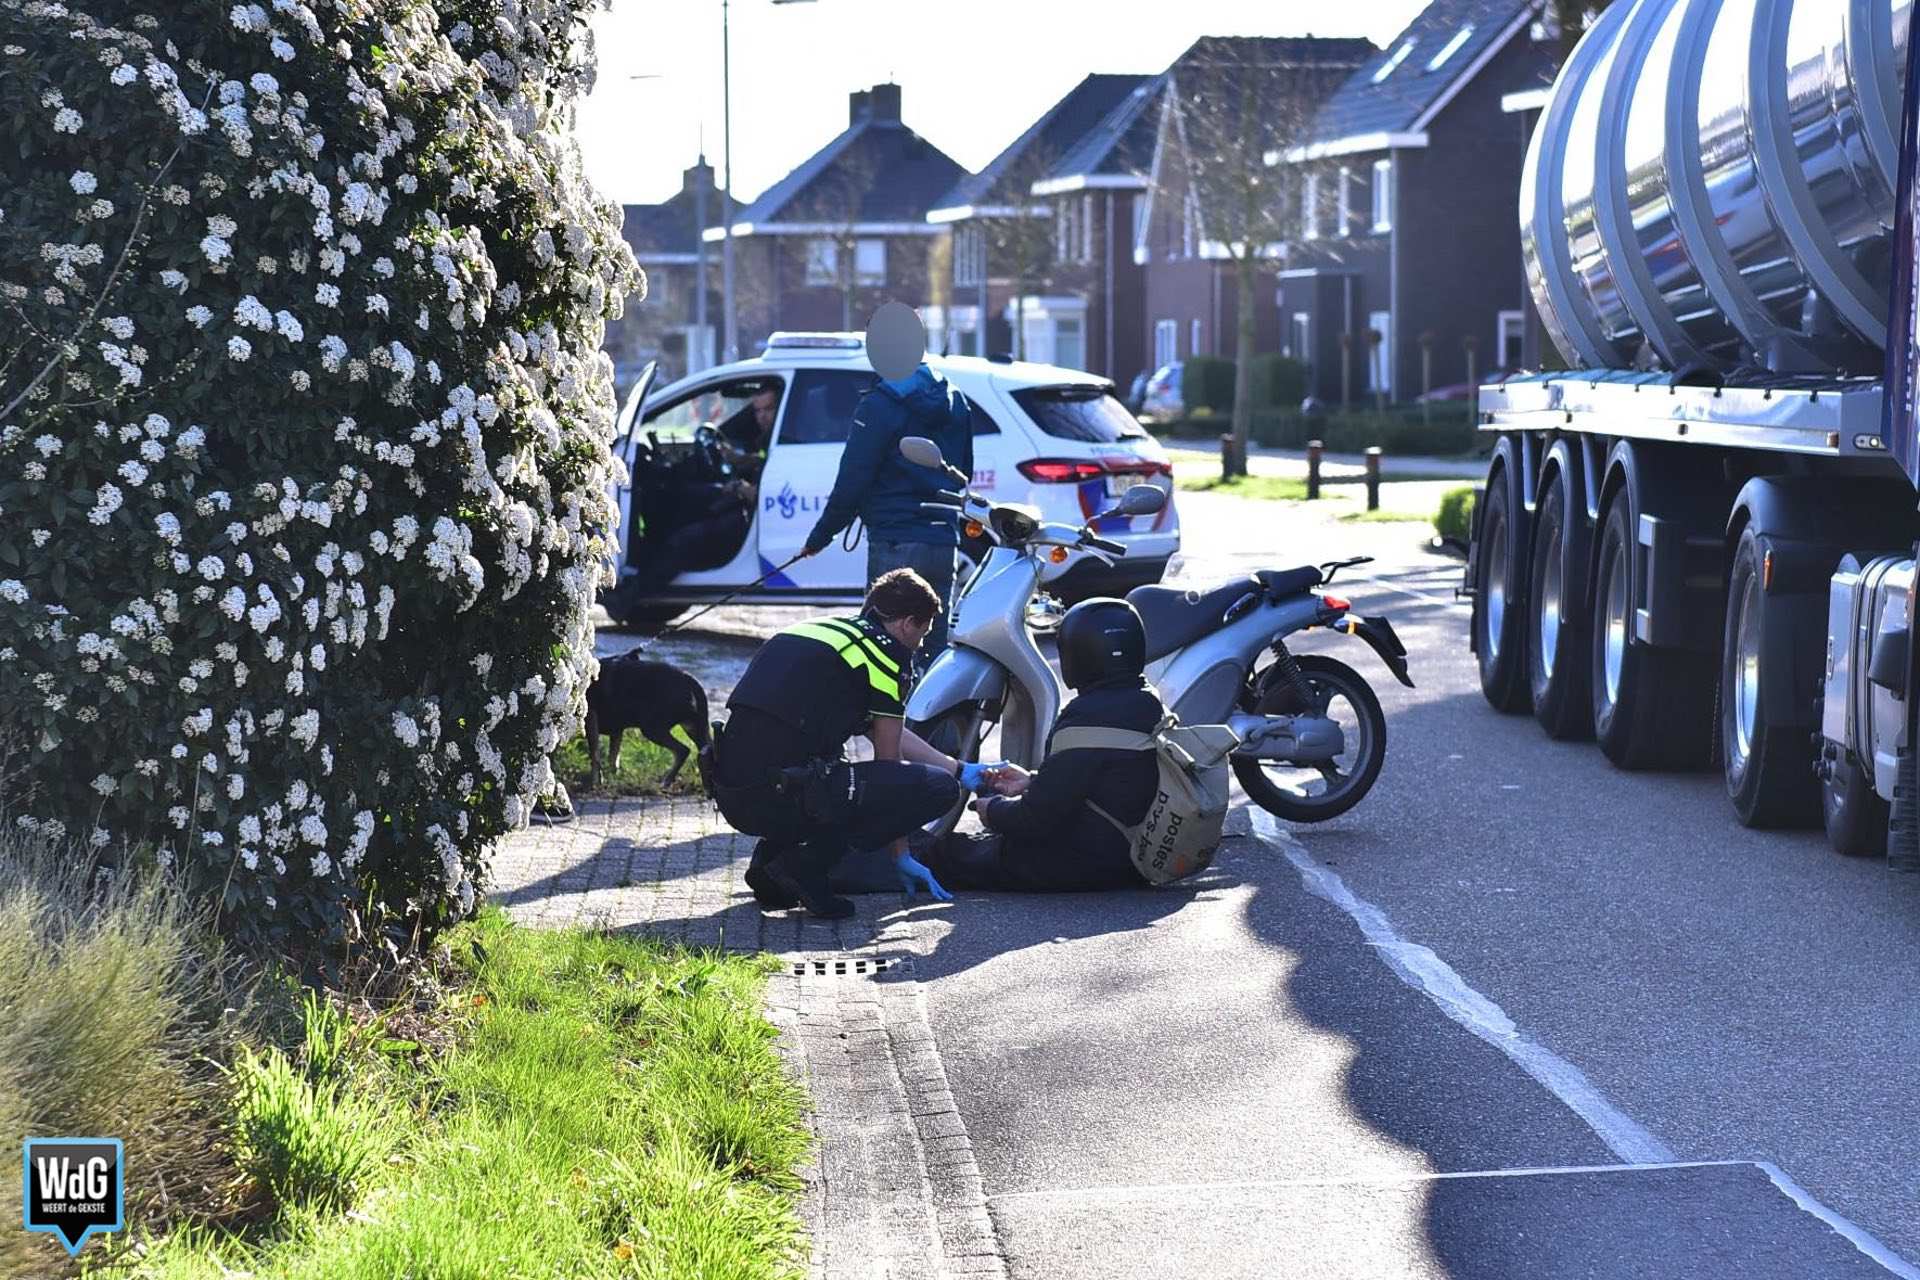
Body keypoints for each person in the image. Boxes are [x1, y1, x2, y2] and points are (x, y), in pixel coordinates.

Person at [711, 568, 995, 919]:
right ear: (907, 624)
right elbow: (890, 766)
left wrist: (960, 767)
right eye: (923, 633)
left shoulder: (828, 634)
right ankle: (807, 866)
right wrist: (899, 855)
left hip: (733, 792)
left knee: (829, 771)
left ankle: (771, 865)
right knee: (936, 788)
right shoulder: (887, 656)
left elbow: (881, 730)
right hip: (780, 794)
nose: (921, 645)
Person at [913, 598, 1164, 893]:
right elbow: (1108, 779)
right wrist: (1032, 780)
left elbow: (1034, 819)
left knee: (942, 854)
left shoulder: (1087, 716)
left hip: (1087, 862)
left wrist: (991, 809)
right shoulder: (1148, 700)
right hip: (1135, 853)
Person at [803, 316, 972, 669]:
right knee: (934, 658)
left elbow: (853, 478)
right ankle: (933, 725)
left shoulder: (878, 405)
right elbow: (962, 473)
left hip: (895, 541)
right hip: (943, 541)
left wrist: (820, 536)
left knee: (882, 657)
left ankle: (888, 726)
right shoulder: (955, 398)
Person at [630, 385, 777, 593]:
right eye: (757, 411)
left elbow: (760, 494)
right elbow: (764, 464)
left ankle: (632, 597)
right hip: (751, 513)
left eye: (768, 409)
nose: (761, 416)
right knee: (693, 500)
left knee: (686, 539)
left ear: (779, 408)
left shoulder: (782, 437)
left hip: (752, 517)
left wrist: (739, 488)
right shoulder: (771, 436)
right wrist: (740, 460)